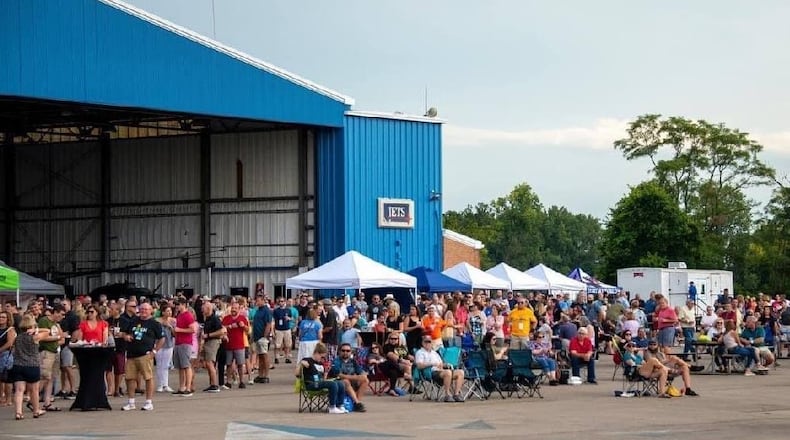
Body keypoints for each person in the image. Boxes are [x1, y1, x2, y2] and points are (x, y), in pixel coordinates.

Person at [119, 302, 164, 411]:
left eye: (146, 309)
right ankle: (131, 402)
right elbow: (123, 332)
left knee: (148, 378)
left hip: (145, 355)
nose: (143, 311)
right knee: (130, 378)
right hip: (131, 354)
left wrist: (154, 351)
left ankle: (149, 402)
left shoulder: (154, 323)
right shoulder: (133, 321)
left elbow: (162, 339)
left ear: (151, 311)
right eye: (142, 309)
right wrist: (126, 336)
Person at [10, 314, 45, 420]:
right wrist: (37, 330)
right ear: (32, 325)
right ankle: (36, 411)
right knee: (34, 390)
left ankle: (18, 412)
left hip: (18, 365)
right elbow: (48, 331)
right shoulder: (35, 337)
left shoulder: (17, 337)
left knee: (19, 390)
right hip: (32, 365)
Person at [296, 342, 347, 414]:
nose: (322, 359)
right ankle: (332, 407)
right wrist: (300, 364)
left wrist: (326, 372)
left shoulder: (320, 363)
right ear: (317, 353)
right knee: (332, 384)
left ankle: (340, 405)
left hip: (320, 383)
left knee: (340, 383)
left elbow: (323, 379)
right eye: (322, 357)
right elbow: (297, 374)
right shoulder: (307, 360)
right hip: (311, 384)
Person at [414, 337, 465, 402]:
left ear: (431, 343)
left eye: (429, 342)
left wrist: (446, 365)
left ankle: (456, 394)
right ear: (422, 343)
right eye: (425, 341)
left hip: (441, 371)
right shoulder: (420, 352)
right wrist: (431, 364)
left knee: (460, 372)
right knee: (448, 372)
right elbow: (419, 366)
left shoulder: (434, 353)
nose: (427, 343)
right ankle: (447, 395)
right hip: (430, 372)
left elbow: (441, 364)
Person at [37, 304, 65, 413]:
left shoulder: (56, 324)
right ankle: (34, 398)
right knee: (44, 377)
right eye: (61, 314)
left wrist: (59, 336)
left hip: (54, 351)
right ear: (56, 312)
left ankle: (47, 402)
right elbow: (42, 337)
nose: (62, 317)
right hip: (46, 352)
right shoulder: (44, 321)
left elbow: (62, 337)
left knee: (51, 378)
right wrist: (57, 337)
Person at [328, 343, 368, 412]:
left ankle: (356, 403)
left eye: (348, 351)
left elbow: (361, 372)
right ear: (339, 351)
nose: (345, 352)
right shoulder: (336, 361)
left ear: (351, 352)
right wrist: (356, 377)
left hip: (352, 382)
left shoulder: (353, 361)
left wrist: (363, 375)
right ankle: (357, 403)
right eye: (343, 350)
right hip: (338, 383)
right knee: (346, 381)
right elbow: (339, 375)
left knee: (365, 380)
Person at [172, 298, 196, 396]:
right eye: (177, 305)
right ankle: (182, 387)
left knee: (186, 365)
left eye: (179, 304)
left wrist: (179, 330)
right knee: (180, 367)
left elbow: (192, 329)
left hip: (185, 343)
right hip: (178, 342)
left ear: (184, 305)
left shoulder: (188, 315)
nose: (177, 306)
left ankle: (188, 387)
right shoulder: (179, 315)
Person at [200, 301, 225, 391]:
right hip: (208, 342)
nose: (202, 310)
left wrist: (208, 335)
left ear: (208, 309)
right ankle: (212, 383)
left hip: (213, 342)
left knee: (210, 363)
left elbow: (221, 331)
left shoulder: (214, 319)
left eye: (203, 309)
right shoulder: (207, 319)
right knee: (208, 363)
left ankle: (214, 384)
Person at [252, 294, 273, 384]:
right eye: (256, 301)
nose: (257, 302)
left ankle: (266, 375)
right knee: (260, 356)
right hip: (257, 336)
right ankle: (260, 375)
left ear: (263, 301)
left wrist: (265, 335)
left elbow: (268, 324)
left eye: (258, 301)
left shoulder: (266, 311)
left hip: (262, 336)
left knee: (264, 355)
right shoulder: (258, 310)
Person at [154, 304, 175, 393]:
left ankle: (165, 384)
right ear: (163, 312)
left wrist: (170, 326)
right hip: (158, 344)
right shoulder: (157, 321)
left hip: (169, 344)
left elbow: (175, 333)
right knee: (159, 364)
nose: (169, 312)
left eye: (170, 311)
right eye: (167, 311)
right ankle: (160, 384)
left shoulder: (173, 321)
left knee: (166, 365)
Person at [0, 311, 18, 407]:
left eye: (3, 317)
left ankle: (8, 399)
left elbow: (10, 343)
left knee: (7, 378)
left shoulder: (10, 329)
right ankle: (1, 398)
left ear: (8, 319)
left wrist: (0, 350)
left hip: (6, 355)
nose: (1, 319)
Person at [272, 297, 293, 364]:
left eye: (282, 301)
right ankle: (276, 357)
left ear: (285, 302)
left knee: (287, 344)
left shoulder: (288, 310)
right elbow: (273, 320)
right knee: (277, 345)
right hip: (278, 329)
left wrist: (289, 318)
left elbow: (291, 318)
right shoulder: (276, 310)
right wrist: (272, 330)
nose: (281, 302)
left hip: (287, 329)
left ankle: (287, 357)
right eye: (280, 301)